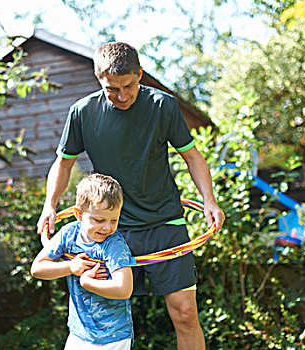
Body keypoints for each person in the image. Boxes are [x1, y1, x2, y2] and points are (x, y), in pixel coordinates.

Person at [37, 42, 225, 350]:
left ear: (140, 74)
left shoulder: (163, 106)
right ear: (99, 78)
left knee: (186, 313)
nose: (122, 96)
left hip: (166, 222)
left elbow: (192, 156)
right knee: (104, 319)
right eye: (112, 89)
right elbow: (64, 162)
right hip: (112, 229)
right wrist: (50, 205)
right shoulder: (83, 113)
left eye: (129, 86)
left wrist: (209, 201)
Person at [32, 173, 134, 349]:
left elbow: (124, 289)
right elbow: (37, 268)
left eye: (114, 220)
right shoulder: (68, 234)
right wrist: (71, 267)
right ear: (78, 214)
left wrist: (86, 282)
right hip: (79, 332)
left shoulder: (114, 244)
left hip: (113, 336)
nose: (107, 227)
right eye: (99, 220)